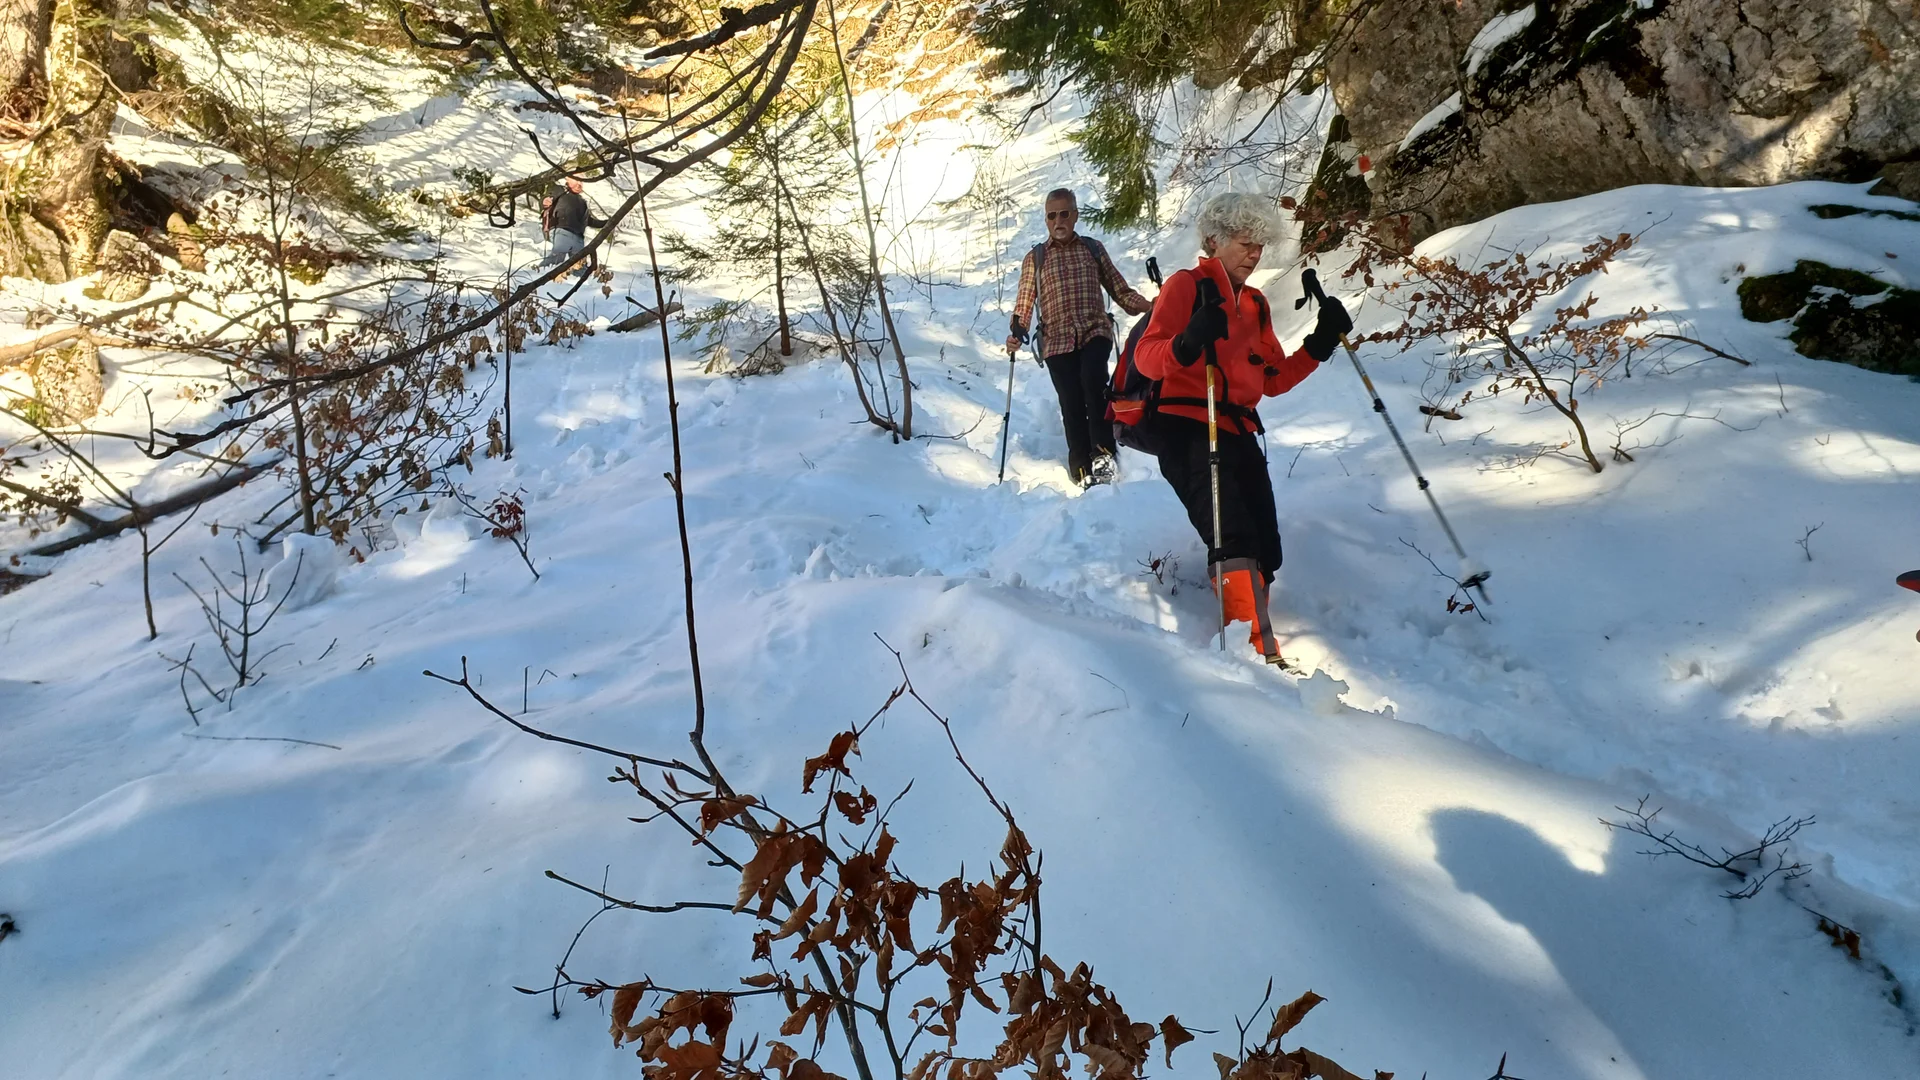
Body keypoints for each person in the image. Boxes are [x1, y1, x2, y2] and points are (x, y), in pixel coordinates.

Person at [1132, 192, 1353, 664]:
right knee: (1230, 533)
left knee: (1265, 541)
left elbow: (1270, 380)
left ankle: (1255, 629)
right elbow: (1146, 358)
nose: (1254, 253)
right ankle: (1254, 649)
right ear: (1214, 240)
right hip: (1185, 425)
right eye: (1244, 242)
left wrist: (1319, 344)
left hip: (1237, 428)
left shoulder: (1255, 304)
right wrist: (1188, 342)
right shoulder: (1186, 286)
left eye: (1259, 245)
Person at [1006, 188, 1152, 487]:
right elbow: (1025, 300)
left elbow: (1120, 290)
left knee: (1094, 384)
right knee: (1070, 400)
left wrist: (1154, 308)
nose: (1058, 220)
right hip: (1056, 340)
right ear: (1046, 220)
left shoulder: (1092, 249)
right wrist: (1017, 331)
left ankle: (1103, 454)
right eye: (1051, 215)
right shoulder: (1036, 258)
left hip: (1094, 330)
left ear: (1074, 215)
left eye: (1063, 213)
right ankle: (1080, 464)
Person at [540, 178, 605, 273]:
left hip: (578, 236)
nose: (579, 183)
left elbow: (588, 220)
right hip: (562, 229)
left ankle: (580, 284)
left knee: (580, 265)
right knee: (557, 258)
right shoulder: (560, 190)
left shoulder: (582, 202)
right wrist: (545, 201)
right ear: (568, 179)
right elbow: (547, 198)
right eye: (576, 180)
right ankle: (538, 274)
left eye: (581, 181)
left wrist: (606, 223)